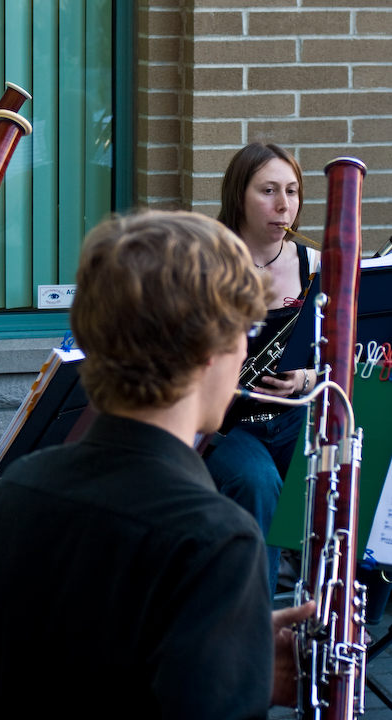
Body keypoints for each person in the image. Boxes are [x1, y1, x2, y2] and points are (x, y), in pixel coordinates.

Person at [0, 211, 315, 718]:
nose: (244, 353)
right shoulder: (214, 539)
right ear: (207, 353)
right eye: (243, 331)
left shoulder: (21, 490)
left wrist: (241, 659)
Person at [206, 142, 320, 596]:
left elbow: (338, 353)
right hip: (228, 424)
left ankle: (349, 610)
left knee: (353, 466)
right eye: (268, 190)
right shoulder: (206, 259)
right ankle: (252, 624)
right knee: (258, 482)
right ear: (239, 197)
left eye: (292, 192)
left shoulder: (313, 264)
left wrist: (306, 378)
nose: (283, 205)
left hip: (291, 415)